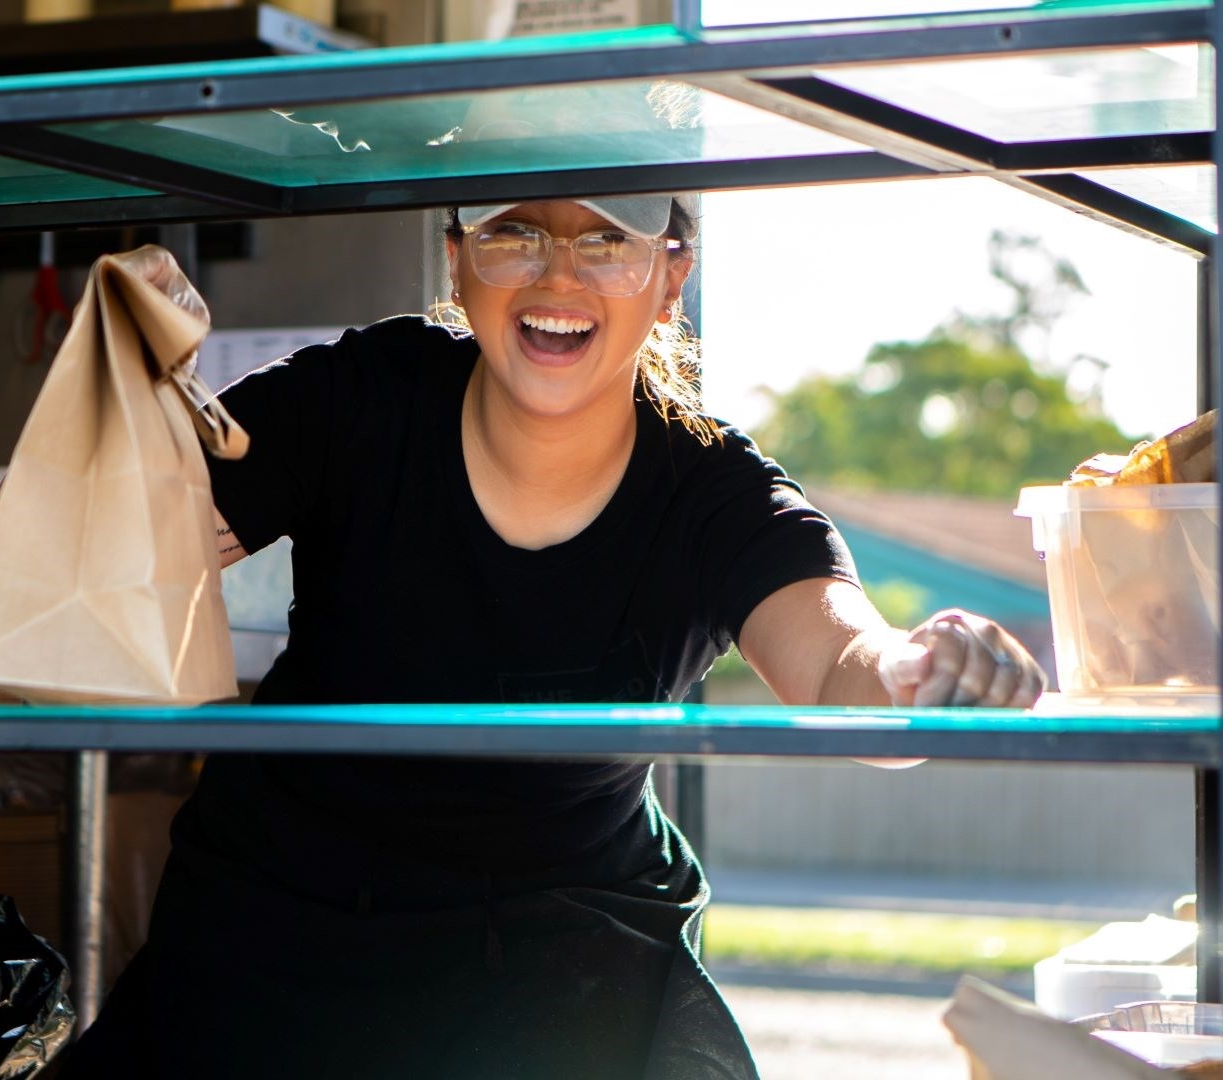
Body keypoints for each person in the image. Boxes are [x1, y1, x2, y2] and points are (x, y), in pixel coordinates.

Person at [57, 193, 1047, 1079]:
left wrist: (922, 671)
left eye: (607, 241)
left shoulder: (713, 493)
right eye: (515, 235)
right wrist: (136, 405)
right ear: (458, 263)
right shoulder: (365, 396)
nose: (558, 275)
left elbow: (840, 661)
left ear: (669, 276)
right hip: (275, 937)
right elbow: (112, 557)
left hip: (562, 966)